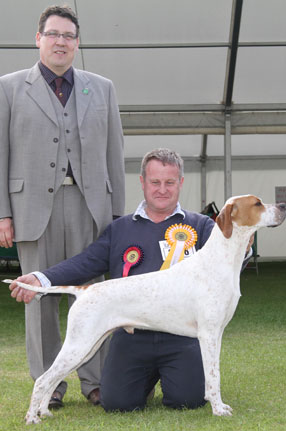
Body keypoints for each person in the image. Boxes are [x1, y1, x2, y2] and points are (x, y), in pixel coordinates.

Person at [10, 148, 252, 411]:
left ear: (181, 183)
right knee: (117, 403)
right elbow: (86, 263)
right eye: (155, 182)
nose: (162, 189)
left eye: (170, 182)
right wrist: (42, 278)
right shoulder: (120, 229)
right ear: (142, 182)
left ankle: (170, 380)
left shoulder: (202, 225)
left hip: (182, 339)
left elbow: (225, 268)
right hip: (133, 338)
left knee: (188, 400)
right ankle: (43, 396)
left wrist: (245, 245)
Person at [0, 5, 125, 408]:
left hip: (92, 207)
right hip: (33, 208)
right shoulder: (8, 88)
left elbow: (114, 154)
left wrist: (119, 216)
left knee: (95, 296)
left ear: (76, 43)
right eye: (52, 34)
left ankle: (96, 379)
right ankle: (49, 384)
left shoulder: (102, 87)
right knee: (38, 295)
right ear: (38, 39)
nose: (60, 41)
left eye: (68, 36)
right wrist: (2, 212)